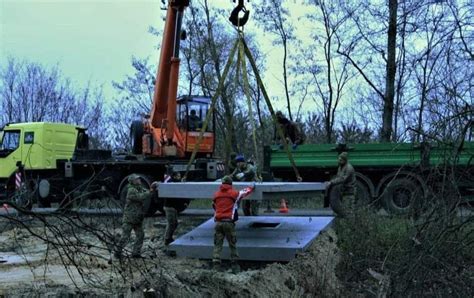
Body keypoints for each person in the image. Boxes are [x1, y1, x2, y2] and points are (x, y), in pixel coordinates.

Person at [114, 174, 156, 259]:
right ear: (133, 181)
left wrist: (152, 189)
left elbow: (147, 192)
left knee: (140, 235)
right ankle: (117, 253)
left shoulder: (139, 188)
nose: (139, 180)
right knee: (125, 236)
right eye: (137, 179)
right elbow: (141, 197)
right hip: (129, 218)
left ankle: (136, 253)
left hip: (137, 218)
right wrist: (150, 191)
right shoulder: (131, 190)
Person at [212, 176, 246, 273]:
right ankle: (235, 266)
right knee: (232, 244)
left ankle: (216, 265)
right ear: (231, 184)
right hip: (228, 223)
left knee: (217, 244)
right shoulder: (234, 193)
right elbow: (244, 192)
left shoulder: (216, 194)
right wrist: (252, 186)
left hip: (218, 223)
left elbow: (214, 205)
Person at [325, 152, 356, 217]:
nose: (339, 161)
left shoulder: (349, 168)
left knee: (349, 212)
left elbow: (342, 179)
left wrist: (331, 182)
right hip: (343, 192)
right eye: (338, 159)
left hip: (349, 192)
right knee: (342, 211)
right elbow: (338, 177)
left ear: (345, 160)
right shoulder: (340, 167)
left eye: (341, 160)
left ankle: (351, 225)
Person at [163, 171, 186, 246]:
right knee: (171, 224)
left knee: (175, 223)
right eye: (178, 176)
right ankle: (167, 239)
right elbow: (175, 184)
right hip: (169, 207)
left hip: (173, 207)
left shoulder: (175, 183)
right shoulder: (171, 183)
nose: (179, 177)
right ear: (175, 177)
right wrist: (181, 182)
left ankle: (169, 237)